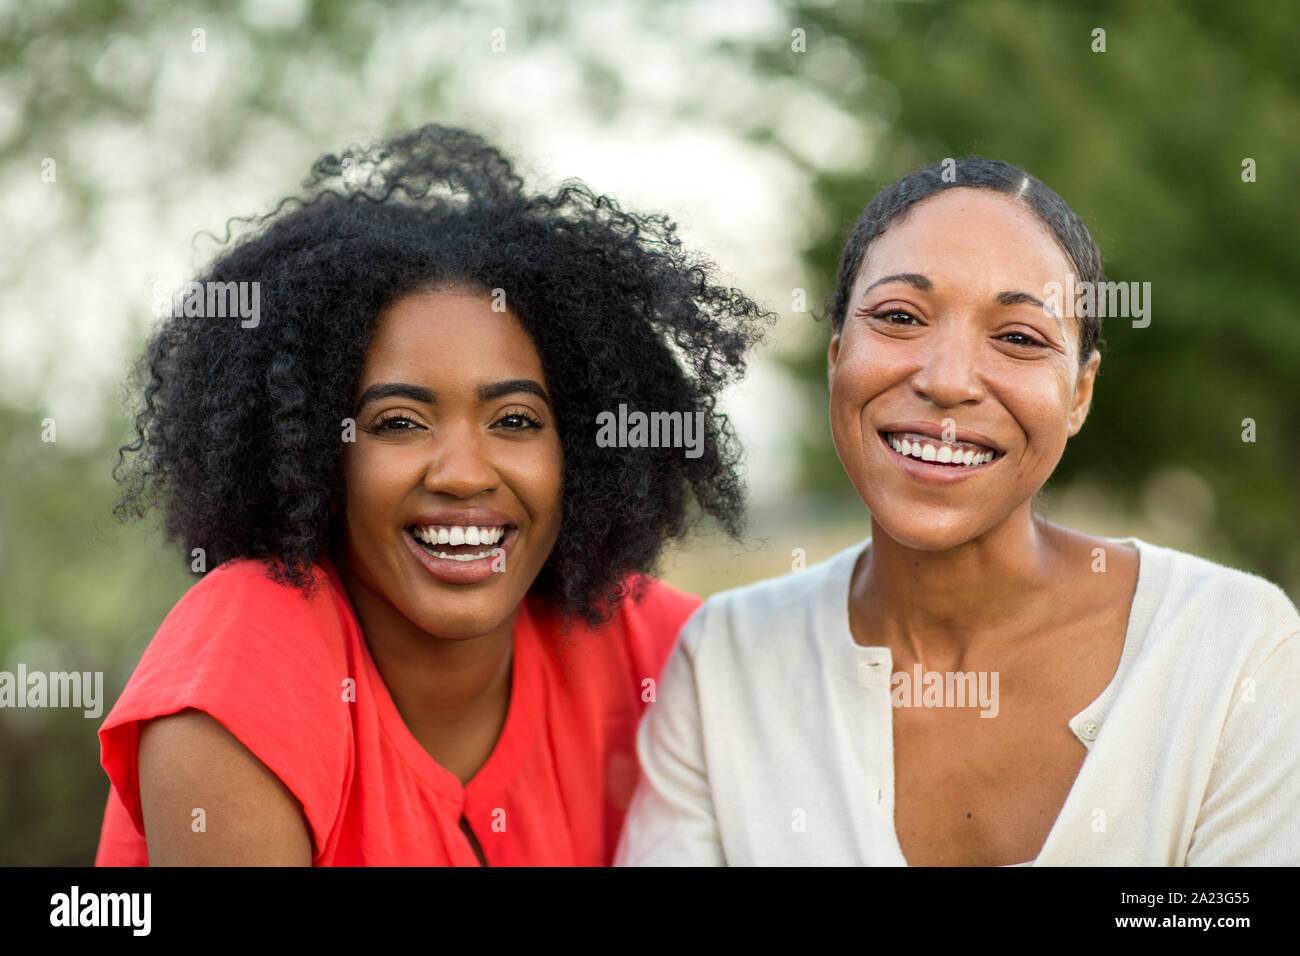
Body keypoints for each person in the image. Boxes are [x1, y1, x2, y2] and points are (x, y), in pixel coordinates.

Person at [95, 124, 771, 865]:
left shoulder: (659, 652)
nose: (462, 473)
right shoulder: (244, 665)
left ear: (577, 452)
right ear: (319, 452)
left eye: (515, 420)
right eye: (399, 423)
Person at [615, 157, 1300, 866]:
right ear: (837, 355)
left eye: (1019, 338)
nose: (946, 381)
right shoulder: (726, 664)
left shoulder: (1235, 654)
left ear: (1079, 396)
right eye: (900, 318)